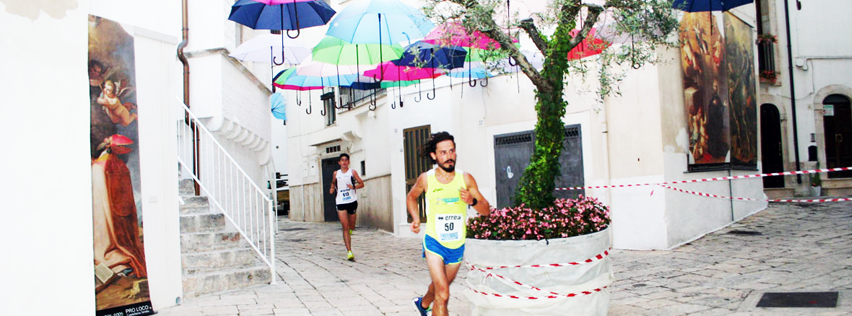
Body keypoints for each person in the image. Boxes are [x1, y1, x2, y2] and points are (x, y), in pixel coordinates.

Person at [406, 132, 491, 316]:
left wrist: (472, 201)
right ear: (434, 156)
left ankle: (423, 304)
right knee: (443, 294)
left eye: (451, 151)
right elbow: (411, 197)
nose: (449, 156)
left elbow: (486, 210)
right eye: (443, 152)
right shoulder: (426, 179)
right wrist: (415, 218)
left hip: (457, 245)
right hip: (434, 242)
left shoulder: (466, 179)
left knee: (439, 287)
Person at [329, 153, 364, 261]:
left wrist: (353, 186)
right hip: (341, 202)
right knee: (345, 226)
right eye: (342, 160)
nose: (344, 162)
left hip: (352, 201)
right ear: (339, 162)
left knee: (351, 226)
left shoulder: (352, 172)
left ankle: (350, 230)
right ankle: (349, 251)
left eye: (346, 160)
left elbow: (361, 184)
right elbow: (333, 183)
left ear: (348, 162)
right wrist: (331, 188)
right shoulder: (336, 173)